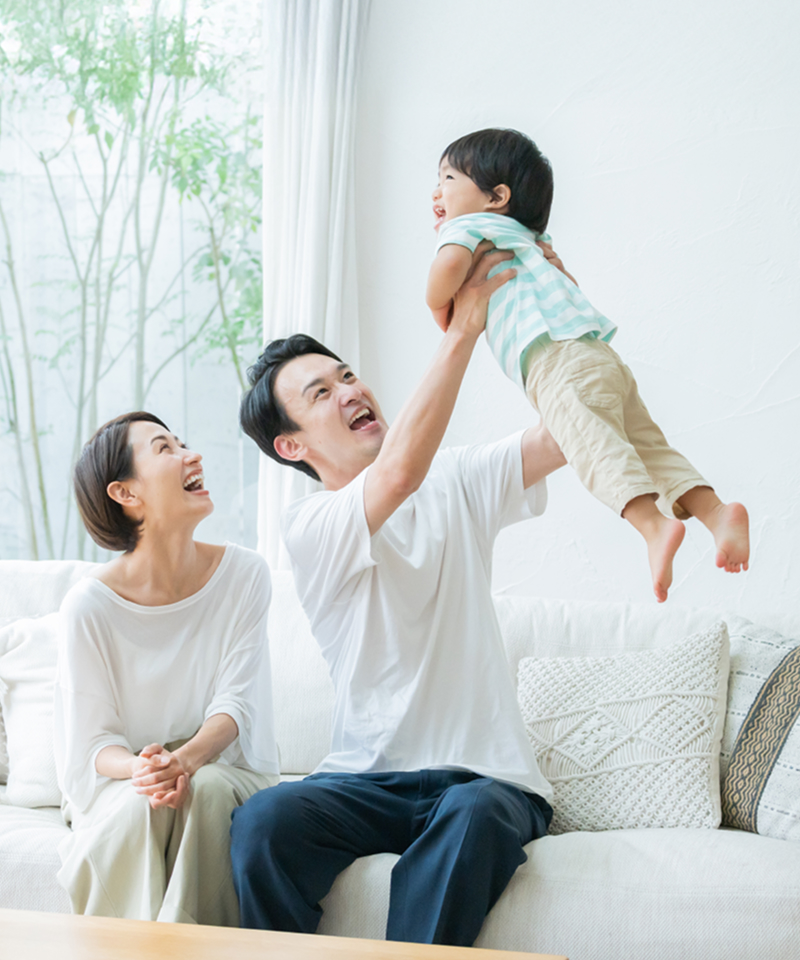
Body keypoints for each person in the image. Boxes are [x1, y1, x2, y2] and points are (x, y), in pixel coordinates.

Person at [231, 245, 567, 947]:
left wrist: (553, 308)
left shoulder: (458, 479)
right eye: (321, 394)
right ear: (291, 448)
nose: (351, 390)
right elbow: (398, 476)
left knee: (473, 814)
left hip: (486, 781)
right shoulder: (312, 527)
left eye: (347, 375)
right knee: (264, 822)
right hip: (365, 782)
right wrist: (461, 328)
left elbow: (567, 432)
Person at [427, 127, 750, 602]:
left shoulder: (466, 229)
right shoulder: (531, 239)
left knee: (593, 448)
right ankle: (716, 513)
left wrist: (438, 295)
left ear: (496, 197)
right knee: (646, 446)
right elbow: (567, 283)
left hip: (554, 362)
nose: (437, 192)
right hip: (598, 355)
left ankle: (653, 525)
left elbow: (445, 278)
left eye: (448, 178)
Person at [55, 411, 280, 925]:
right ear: (125, 493)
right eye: (165, 448)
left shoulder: (245, 575)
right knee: (148, 804)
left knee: (208, 788)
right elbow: (92, 748)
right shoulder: (88, 606)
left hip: (227, 772)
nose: (191, 455)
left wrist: (186, 761)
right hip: (126, 783)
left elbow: (236, 704)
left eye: (183, 443)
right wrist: (145, 770)